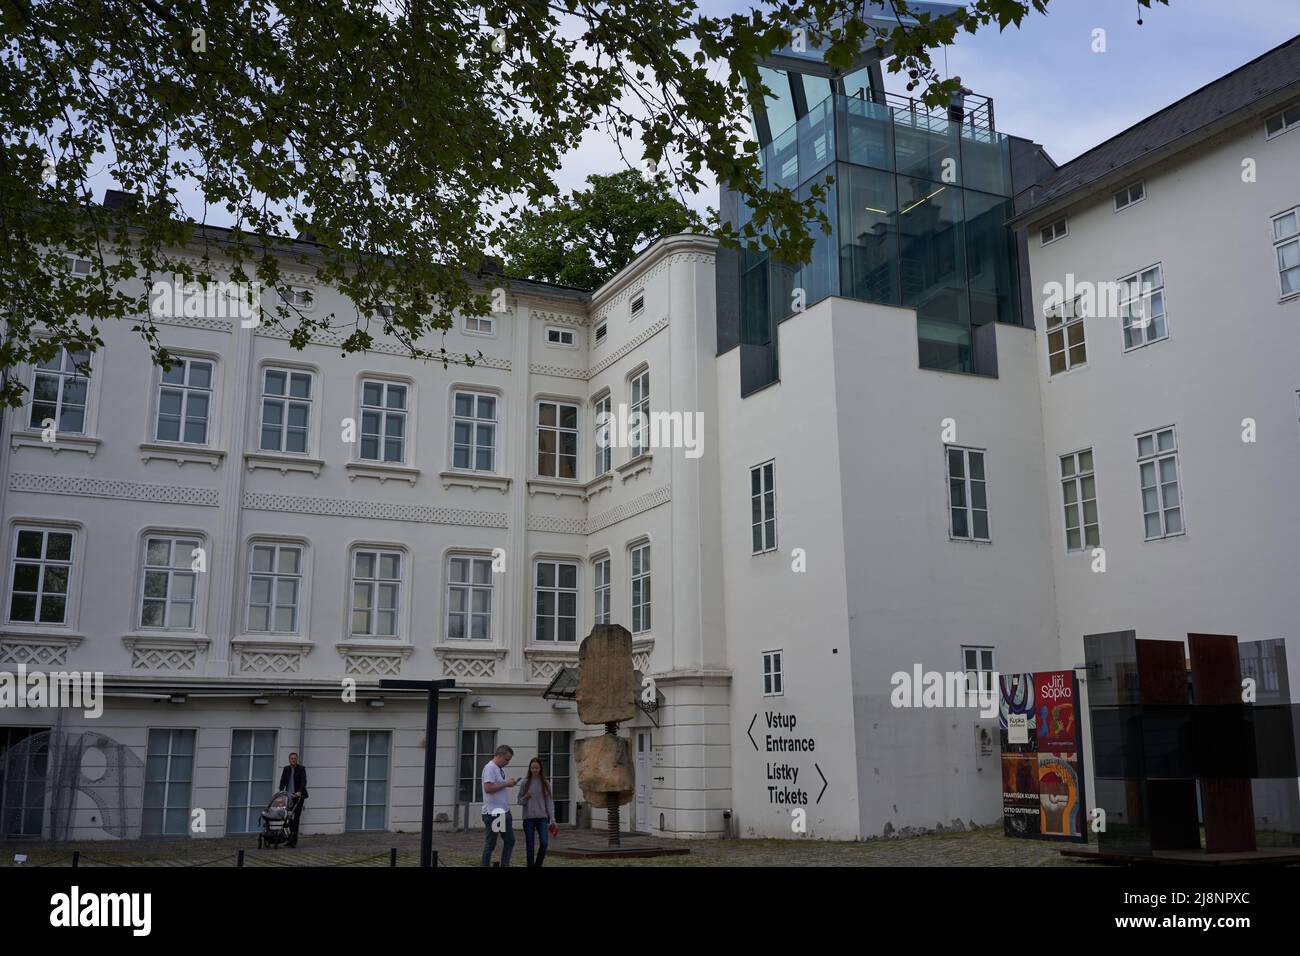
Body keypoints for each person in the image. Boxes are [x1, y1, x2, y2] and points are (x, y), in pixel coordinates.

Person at [480, 744, 517, 867]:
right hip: (493, 813)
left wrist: (507, 783)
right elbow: (488, 788)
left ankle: (504, 864)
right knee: (491, 844)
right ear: (499, 755)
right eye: (506, 759)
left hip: (502, 812)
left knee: (509, 840)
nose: (508, 762)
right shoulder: (490, 768)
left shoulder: (498, 768)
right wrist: (506, 784)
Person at [518, 757, 557, 867]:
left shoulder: (546, 783)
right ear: (530, 769)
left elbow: (550, 802)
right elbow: (519, 801)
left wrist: (552, 819)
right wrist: (526, 797)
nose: (534, 770)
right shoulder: (525, 783)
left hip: (542, 818)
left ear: (540, 769)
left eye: (536, 768)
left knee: (544, 843)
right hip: (528, 819)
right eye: (532, 768)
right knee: (530, 846)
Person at [278, 752, 308, 847]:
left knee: (296, 818)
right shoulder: (286, 769)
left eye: (295, 758)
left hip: (298, 797)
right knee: (289, 818)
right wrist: (281, 791)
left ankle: (294, 841)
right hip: (289, 797)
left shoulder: (301, 769)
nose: (293, 760)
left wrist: (299, 791)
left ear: (297, 759)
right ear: (289, 760)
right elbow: (282, 781)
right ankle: (290, 838)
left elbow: (304, 781)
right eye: (292, 758)